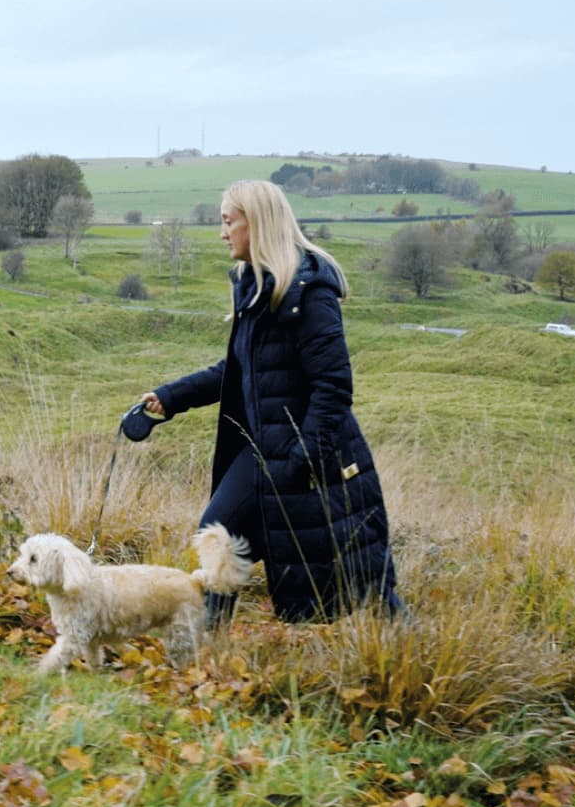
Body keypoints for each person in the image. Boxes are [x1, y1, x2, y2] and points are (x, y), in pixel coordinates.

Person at [140, 179, 401, 627]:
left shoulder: (308, 292)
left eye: (228, 221)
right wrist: (170, 397)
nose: (222, 233)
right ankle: (208, 647)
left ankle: (400, 650)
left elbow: (333, 386)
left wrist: (302, 459)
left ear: (256, 223)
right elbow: (236, 372)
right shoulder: (255, 287)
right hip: (266, 451)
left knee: (356, 572)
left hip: (309, 458)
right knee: (220, 536)